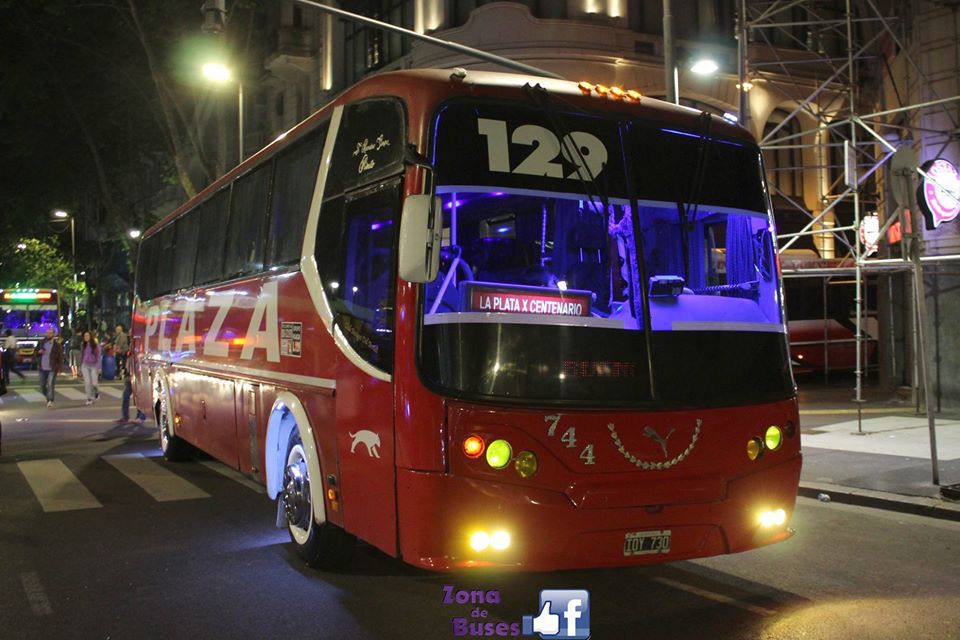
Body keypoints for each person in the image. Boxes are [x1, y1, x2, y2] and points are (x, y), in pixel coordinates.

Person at [36, 328, 63, 408]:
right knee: (42, 385)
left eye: (50, 333)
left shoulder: (57, 345)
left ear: (53, 334)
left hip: (52, 367)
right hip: (42, 367)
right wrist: (39, 352)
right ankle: (48, 397)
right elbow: (35, 352)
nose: (48, 334)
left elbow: (60, 357)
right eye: (47, 333)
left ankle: (50, 400)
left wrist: (59, 368)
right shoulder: (41, 342)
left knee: (51, 384)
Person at [79, 330, 101, 405]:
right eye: (85, 336)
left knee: (94, 383)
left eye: (87, 336)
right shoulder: (83, 345)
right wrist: (80, 366)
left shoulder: (96, 345)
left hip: (94, 365)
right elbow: (82, 355)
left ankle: (96, 391)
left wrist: (98, 367)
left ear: (91, 336)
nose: (86, 337)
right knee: (87, 382)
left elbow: (98, 357)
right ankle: (89, 398)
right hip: (85, 365)